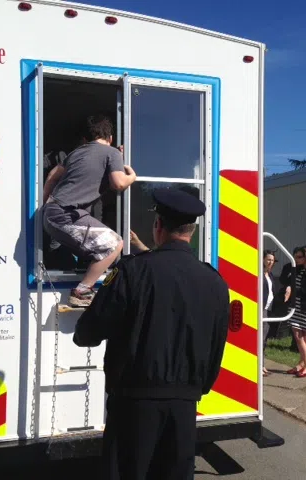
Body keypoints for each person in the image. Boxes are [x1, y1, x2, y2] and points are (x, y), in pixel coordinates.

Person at [72, 187, 230, 480]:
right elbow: (217, 344)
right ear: (191, 232)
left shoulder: (133, 271)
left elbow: (90, 332)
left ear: (158, 227)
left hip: (133, 403)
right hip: (185, 404)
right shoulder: (215, 281)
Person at [41, 115, 137, 307]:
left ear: (87, 138)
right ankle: (82, 291)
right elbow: (118, 183)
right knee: (115, 244)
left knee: (96, 247)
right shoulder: (111, 153)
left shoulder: (76, 152)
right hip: (66, 215)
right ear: (110, 137)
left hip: (54, 213)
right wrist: (132, 176)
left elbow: (52, 177)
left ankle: (85, 282)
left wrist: (43, 207)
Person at [280, 246, 306, 378]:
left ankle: (305, 365)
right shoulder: (294, 268)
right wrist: (289, 285)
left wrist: (294, 291)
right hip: (295, 306)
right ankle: (305, 364)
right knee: (297, 334)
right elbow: (284, 280)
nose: (296, 259)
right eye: (294, 256)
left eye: (299, 257)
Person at [262, 250, 276, 375]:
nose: (270, 262)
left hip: (268, 308)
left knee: (264, 338)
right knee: (261, 338)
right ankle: (260, 366)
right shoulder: (260, 273)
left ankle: (262, 365)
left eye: (272, 260)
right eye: (268, 259)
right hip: (261, 309)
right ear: (263, 260)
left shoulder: (269, 274)